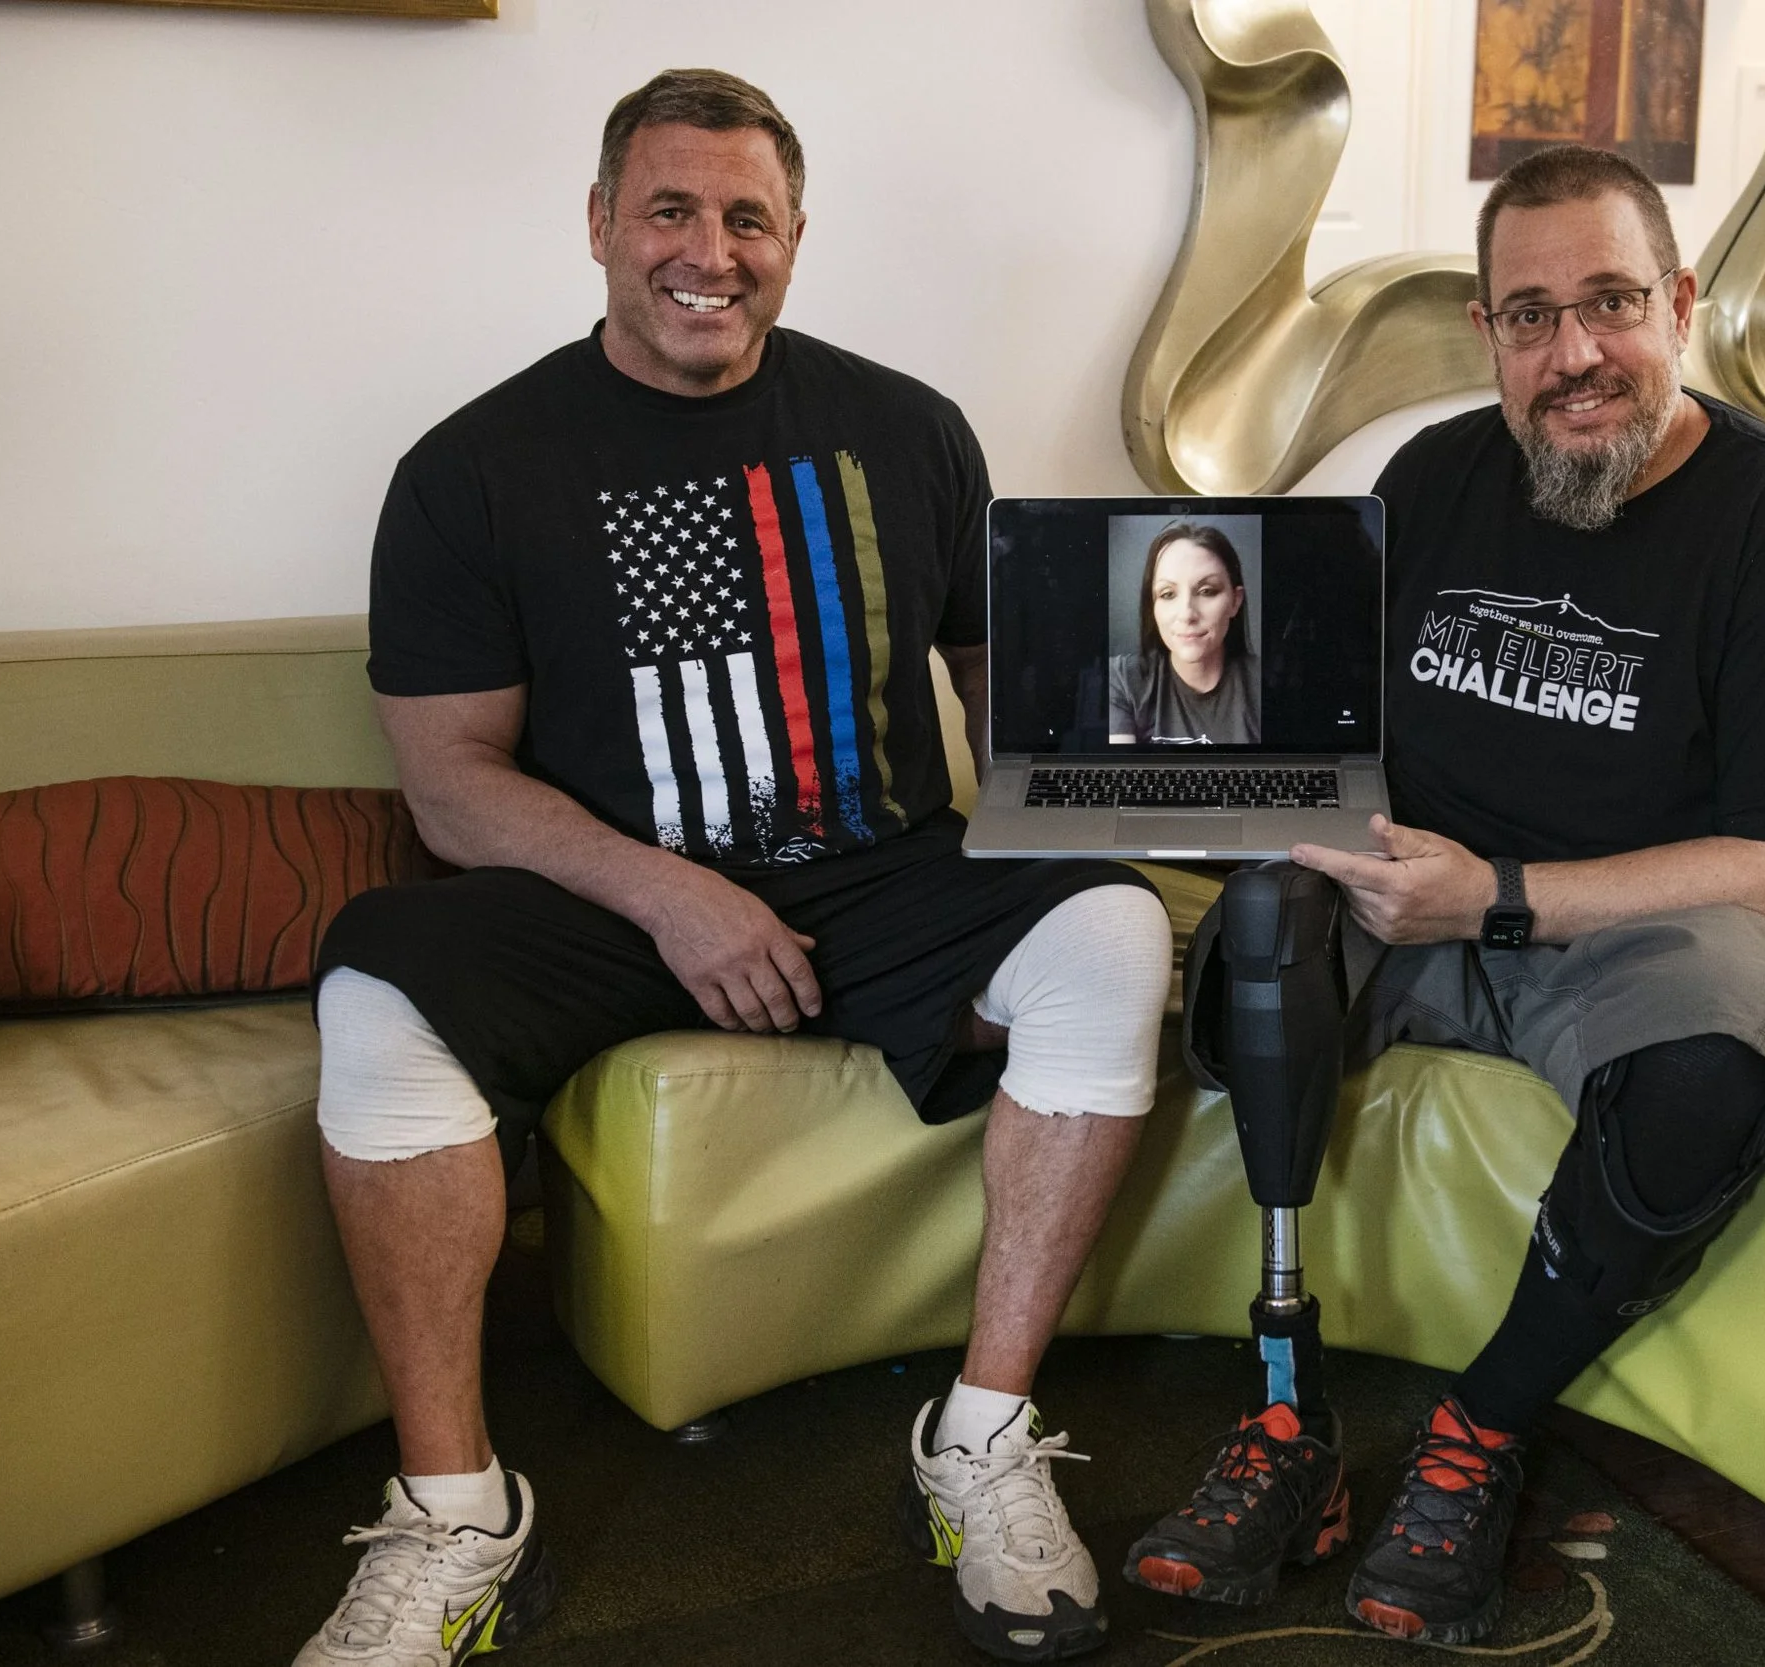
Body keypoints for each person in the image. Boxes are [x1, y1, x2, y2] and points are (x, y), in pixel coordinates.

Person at [294, 69, 1172, 1667]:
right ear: (601, 227)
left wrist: (1214, 783)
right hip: (607, 896)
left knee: (1113, 930)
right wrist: (672, 891)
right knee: (373, 979)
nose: (712, 247)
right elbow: (452, 789)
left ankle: (980, 1431)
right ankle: (454, 1510)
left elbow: (1011, 706)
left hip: (879, 870)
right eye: (672, 210)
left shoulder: (909, 428)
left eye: (748, 215)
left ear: (795, 235)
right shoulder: (471, 467)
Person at [1125, 143, 1765, 1646]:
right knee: (1257, 926)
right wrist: (1143, 767)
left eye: (1610, 303)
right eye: (1530, 317)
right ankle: (1287, 1421)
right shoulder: (1431, 480)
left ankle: (1482, 1422)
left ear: (1679, 303)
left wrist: (1502, 896)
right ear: (1487, 334)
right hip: (1419, 906)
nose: (1575, 353)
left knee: (1711, 1068)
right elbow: (1322, 738)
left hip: (1632, 934)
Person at [1105, 521, 1260, 744]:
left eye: (1207, 591)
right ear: (1152, 606)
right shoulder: (1122, 680)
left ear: (1235, 602)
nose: (1187, 614)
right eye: (1168, 594)